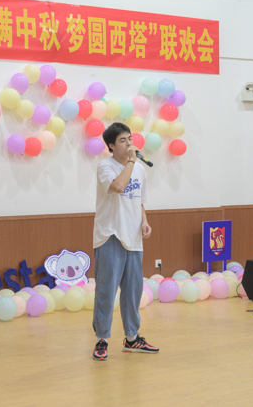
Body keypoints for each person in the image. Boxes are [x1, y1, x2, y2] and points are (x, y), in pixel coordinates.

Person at [91, 122, 158, 360]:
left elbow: (139, 200)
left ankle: (132, 338)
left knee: (132, 292)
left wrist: (144, 221)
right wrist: (131, 161)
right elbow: (119, 186)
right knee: (106, 291)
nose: (129, 143)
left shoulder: (139, 169)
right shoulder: (105, 166)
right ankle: (102, 339)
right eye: (123, 140)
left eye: (130, 139)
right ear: (111, 146)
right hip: (110, 234)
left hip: (133, 236)